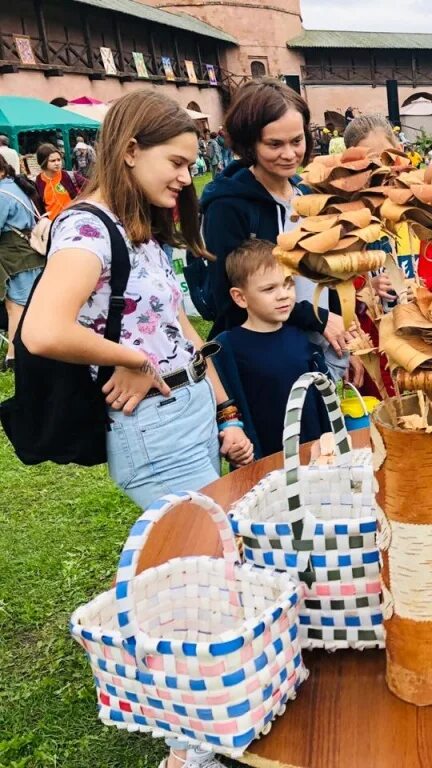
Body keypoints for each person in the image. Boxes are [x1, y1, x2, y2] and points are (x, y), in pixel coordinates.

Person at [19, 91, 254, 768]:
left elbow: (179, 327)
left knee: (201, 558)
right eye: (177, 161)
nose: (188, 175)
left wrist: (223, 407)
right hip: (150, 426)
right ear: (130, 150)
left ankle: (161, 668)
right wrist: (129, 358)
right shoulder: (89, 230)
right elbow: (42, 330)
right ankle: (192, 743)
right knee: (208, 569)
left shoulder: (137, 229)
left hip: (185, 412)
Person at [198, 77, 349, 372]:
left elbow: (322, 278)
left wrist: (338, 339)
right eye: (274, 144)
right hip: (268, 361)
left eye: (297, 141)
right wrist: (313, 317)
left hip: (317, 350)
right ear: (250, 144)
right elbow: (230, 296)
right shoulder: (227, 206)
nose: (290, 154)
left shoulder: (306, 193)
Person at [212, 240, 331, 460]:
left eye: (288, 284)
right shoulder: (226, 348)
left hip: (315, 455)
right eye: (269, 289)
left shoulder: (301, 338)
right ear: (240, 297)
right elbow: (222, 405)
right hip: (268, 464)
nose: (283, 295)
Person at [0, 156, 45, 372]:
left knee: (17, 307)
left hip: (18, 258)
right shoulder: (12, 186)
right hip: (27, 256)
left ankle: (14, 356)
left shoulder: (1, 194)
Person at [34, 143, 80, 220]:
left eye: (59, 160)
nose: (57, 163)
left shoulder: (69, 176)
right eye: (53, 161)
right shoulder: (38, 182)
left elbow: (91, 187)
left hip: (73, 221)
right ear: (43, 162)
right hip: (53, 225)